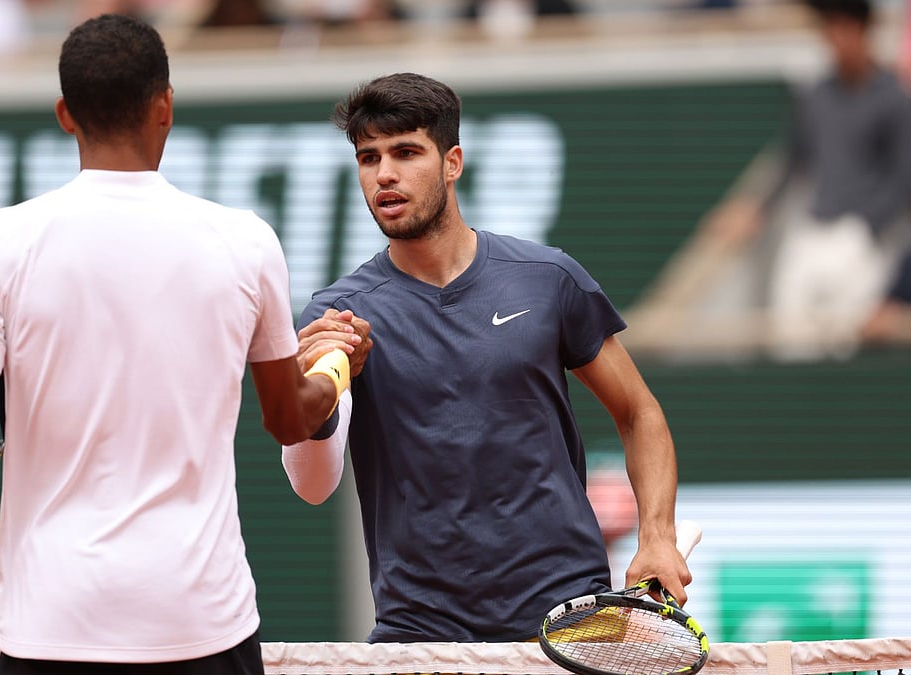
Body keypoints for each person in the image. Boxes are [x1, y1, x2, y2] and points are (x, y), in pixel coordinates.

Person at [0, 13, 352, 675]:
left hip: (52, 631)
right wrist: (336, 367)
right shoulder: (247, 242)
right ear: (164, 108)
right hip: (204, 626)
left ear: (64, 114)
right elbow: (288, 419)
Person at [280, 72, 690, 643]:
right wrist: (312, 400)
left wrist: (657, 538)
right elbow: (312, 484)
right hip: (418, 631)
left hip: (568, 617)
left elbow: (639, 414)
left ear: (452, 162)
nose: (385, 175)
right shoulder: (335, 318)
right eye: (369, 158)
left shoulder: (548, 279)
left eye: (405, 152)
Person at [704, 0, 911, 361]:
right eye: (829, 28)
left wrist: (868, 229)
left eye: (843, 27)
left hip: (860, 239)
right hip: (812, 230)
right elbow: (791, 162)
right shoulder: (815, 95)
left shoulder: (893, 98)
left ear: (865, 31)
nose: (835, 39)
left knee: (847, 345)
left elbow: (901, 177)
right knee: (790, 341)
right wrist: (757, 208)